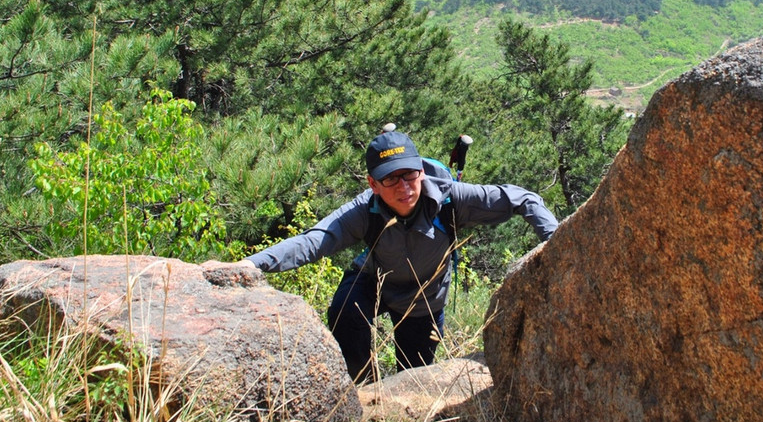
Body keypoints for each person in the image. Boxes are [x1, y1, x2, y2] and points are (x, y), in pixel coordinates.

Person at [221, 129, 558, 383]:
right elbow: (314, 241)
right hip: (373, 280)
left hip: (424, 299)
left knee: (413, 378)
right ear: (373, 183)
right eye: (390, 178)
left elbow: (522, 198)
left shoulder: (451, 198)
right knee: (344, 312)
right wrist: (251, 264)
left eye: (409, 174)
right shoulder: (362, 211)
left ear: (421, 172)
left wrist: (556, 243)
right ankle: (361, 389)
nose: (404, 185)